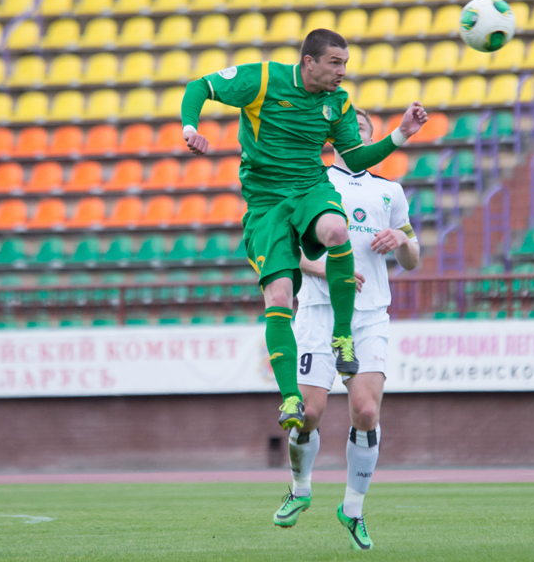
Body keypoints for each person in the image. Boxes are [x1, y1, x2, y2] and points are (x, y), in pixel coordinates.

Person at [181, 29, 427, 430]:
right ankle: (290, 399)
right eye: (335, 63)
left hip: (311, 187)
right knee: (279, 295)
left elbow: (355, 157)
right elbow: (199, 87)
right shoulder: (264, 79)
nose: (342, 71)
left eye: (345, 63)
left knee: (337, 231)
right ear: (308, 62)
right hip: (266, 204)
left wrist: (401, 134)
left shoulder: (338, 102)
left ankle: (343, 336)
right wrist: (190, 128)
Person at [272, 109, 420, 550]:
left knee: (367, 411)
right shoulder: (313, 182)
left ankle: (353, 510)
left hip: (369, 314)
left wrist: (402, 241)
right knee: (308, 413)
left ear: (372, 139)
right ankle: (300, 489)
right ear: (333, 137)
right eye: (349, 128)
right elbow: (289, 251)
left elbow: (412, 259)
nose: (356, 133)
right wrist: (326, 271)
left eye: (363, 129)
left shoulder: (390, 191)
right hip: (319, 311)